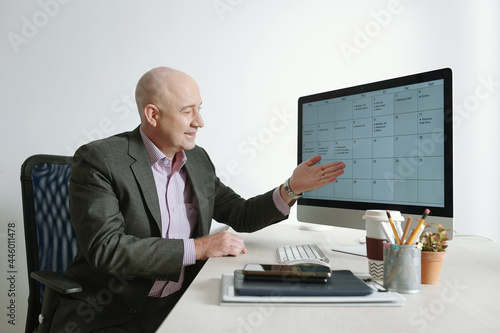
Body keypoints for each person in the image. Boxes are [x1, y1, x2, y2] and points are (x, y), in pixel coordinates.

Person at [51, 67, 346, 332]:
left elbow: (241, 214)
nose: (200, 122)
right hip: (111, 313)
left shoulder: (198, 160)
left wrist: (291, 188)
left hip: (179, 304)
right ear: (153, 115)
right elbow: (107, 249)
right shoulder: (99, 160)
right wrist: (201, 247)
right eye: (187, 111)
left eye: (200, 109)